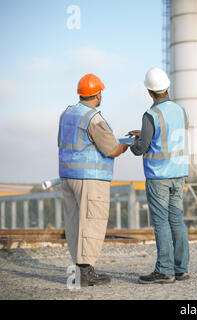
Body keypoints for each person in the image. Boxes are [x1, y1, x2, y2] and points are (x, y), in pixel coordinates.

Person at [58, 73, 129, 287]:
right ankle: (85, 273)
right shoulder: (93, 118)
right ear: (97, 94)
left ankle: (80, 270)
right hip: (90, 179)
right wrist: (126, 145)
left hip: (68, 176)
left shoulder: (66, 114)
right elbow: (112, 148)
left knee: (74, 222)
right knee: (92, 222)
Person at [128, 67, 190, 284]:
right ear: (167, 87)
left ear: (149, 91)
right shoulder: (182, 111)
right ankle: (180, 268)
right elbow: (170, 135)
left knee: (161, 221)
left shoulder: (150, 115)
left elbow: (141, 148)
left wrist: (133, 144)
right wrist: (144, 132)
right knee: (176, 219)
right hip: (179, 173)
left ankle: (164, 270)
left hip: (159, 176)